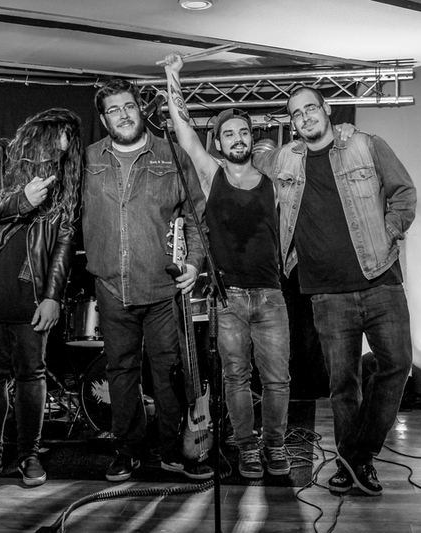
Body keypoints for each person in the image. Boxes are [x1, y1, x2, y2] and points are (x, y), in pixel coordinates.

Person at [252, 87, 416, 496]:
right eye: (296, 114)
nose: (305, 117)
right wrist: (255, 146)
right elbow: (255, 158)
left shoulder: (366, 145)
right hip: (326, 294)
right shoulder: (287, 159)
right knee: (343, 386)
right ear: (292, 123)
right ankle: (354, 464)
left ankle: (356, 454)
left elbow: (403, 191)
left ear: (326, 109)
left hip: (380, 279)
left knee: (397, 365)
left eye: (311, 108)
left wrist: (389, 231)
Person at [162, 52, 291, 479]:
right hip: (228, 297)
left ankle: (275, 446)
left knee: (277, 380)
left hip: (271, 295)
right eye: (229, 134)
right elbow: (184, 131)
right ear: (218, 143)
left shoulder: (273, 181)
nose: (238, 139)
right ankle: (247, 448)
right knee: (236, 378)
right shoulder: (212, 175)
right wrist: (172, 76)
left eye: (244, 132)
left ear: (252, 139)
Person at [82, 77, 212, 482]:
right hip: (111, 286)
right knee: (121, 372)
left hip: (162, 287)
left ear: (140, 108)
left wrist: (194, 264)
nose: (123, 115)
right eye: (113, 110)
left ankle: (172, 451)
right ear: (104, 119)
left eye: (128, 106)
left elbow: (196, 217)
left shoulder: (170, 155)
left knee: (168, 372)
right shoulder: (87, 160)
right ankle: (128, 451)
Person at [0, 108, 82, 490]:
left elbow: (64, 242)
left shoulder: (64, 180)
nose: (60, 151)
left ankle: (29, 454)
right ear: (39, 135)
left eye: (66, 147)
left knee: (31, 375)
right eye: (56, 141)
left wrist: (54, 296)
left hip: (33, 295)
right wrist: (23, 200)